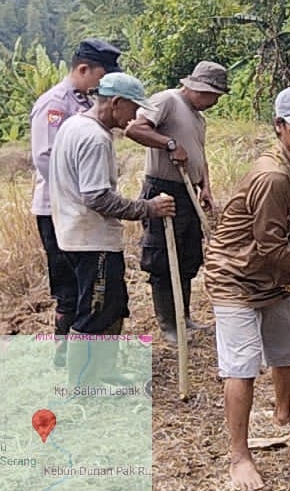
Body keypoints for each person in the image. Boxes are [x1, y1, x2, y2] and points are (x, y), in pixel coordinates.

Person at [203, 84, 290, 491]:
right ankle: (239, 456)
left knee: (288, 349)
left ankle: (283, 416)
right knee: (242, 365)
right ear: (279, 126)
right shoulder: (273, 176)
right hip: (236, 275)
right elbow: (270, 244)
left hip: (273, 274)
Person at [48, 73, 176, 384]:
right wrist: (147, 208)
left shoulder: (73, 125)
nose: (135, 116)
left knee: (111, 307)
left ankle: (104, 372)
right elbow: (96, 197)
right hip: (91, 241)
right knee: (94, 313)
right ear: (116, 103)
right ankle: (84, 384)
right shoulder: (95, 138)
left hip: (75, 234)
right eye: (133, 108)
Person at [30, 39, 121, 366]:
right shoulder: (54, 103)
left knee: (89, 289)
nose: (103, 84)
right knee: (69, 289)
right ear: (83, 69)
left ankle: (86, 360)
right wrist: (75, 194)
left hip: (82, 212)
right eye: (102, 76)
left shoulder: (86, 102)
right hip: (57, 209)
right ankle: (66, 356)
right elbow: (45, 157)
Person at [125, 61, 229, 343]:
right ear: (197, 88)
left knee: (187, 256)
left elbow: (199, 155)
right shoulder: (167, 100)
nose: (214, 102)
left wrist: (205, 187)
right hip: (163, 189)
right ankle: (168, 324)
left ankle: (183, 318)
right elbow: (135, 129)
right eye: (212, 96)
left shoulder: (198, 118)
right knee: (162, 257)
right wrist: (169, 144)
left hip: (188, 192)